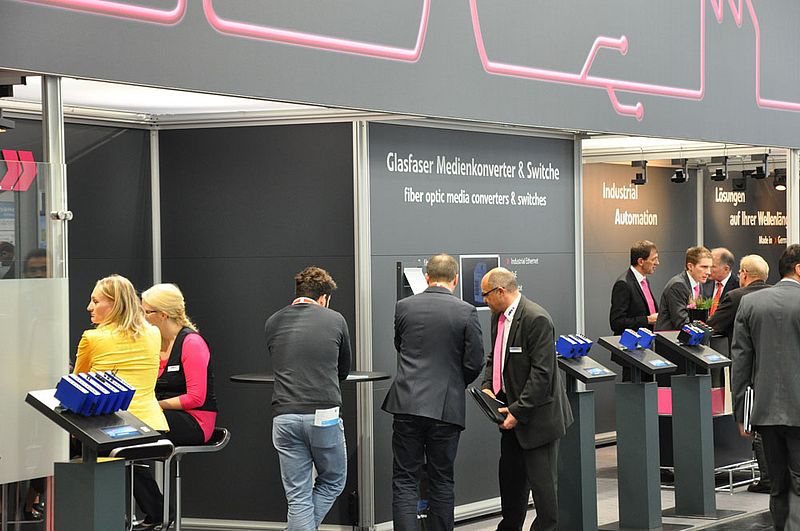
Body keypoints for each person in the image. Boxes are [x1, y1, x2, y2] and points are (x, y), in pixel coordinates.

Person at [381, 253, 484, 530]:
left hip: (406, 403)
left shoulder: (404, 306)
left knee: (405, 479)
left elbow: (399, 345)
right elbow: (475, 362)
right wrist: (455, 383)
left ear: (427, 277)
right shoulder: (466, 311)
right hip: (446, 408)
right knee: (441, 479)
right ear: (456, 279)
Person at [479, 267, 573, 531]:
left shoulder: (536, 318)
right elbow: (495, 356)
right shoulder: (497, 318)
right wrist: (487, 385)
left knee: (545, 497)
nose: (484, 300)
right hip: (509, 418)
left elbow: (542, 374)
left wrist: (518, 412)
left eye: (486, 295)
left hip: (537, 421)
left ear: (500, 291)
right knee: (511, 489)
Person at [264, 266, 351, 529]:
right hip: (324, 414)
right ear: (324, 298)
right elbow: (343, 370)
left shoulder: (273, 321)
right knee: (333, 480)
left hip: (284, 416)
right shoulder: (335, 320)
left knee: (297, 496)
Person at [132, 283, 218, 530]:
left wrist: (154, 405)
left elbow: (196, 398)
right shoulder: (153, 343)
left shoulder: (192, 343)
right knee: (119, 439)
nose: (141, 317)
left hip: (195, 420)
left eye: (146, 312)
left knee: (131, 433)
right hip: (161, 414)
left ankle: (158, 512)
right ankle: (157, 511)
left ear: (163, 315)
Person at [732, 244, 800, 528]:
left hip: (765, 411)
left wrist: (741, 414)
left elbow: (741, 362)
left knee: (778, 484)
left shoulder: (750, 303)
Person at [73, 274, 167, 433]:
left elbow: (78, 386)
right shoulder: (154, 333)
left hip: (109, 428)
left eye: (95, 301)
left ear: (115, 304)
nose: (89, 307)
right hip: (152, 425)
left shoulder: (91, 338)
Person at [707, 254, 770, 342]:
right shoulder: (776, 295)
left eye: (739, 273)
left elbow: (712, 325)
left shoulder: (735, 297)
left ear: (744, 274)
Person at [655, 246, 713, 331]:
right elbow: (681, 322)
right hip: (670, 337)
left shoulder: (698, 284)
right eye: (704, 267)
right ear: (690, 266)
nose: (708, 272)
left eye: (710, 267)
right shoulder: (678, 285)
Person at [609, 240, 659, 335]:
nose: (657, 263)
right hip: (631, 342)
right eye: (653, 259)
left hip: (647, 340)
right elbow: (616, 323)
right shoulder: (623, 284)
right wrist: (647, 320)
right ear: (641, 261)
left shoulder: (644, 281)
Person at [702, 247, 739, 317]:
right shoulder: (703, 283)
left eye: (712, 267)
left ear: (726, 269)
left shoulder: (738, 287)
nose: (708, 270)